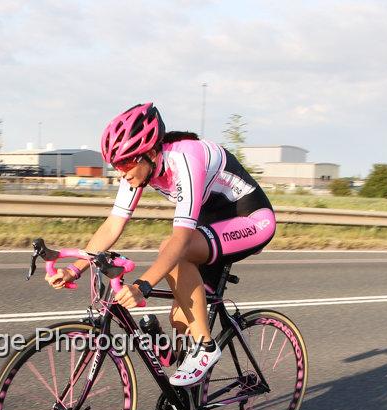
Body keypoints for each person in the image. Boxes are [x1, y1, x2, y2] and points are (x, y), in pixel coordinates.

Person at [45, 102, 276, 387]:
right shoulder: (139, 169)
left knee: (174, 250)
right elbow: (112, 225)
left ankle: (205, 349)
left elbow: (179, 241)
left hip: (250, 220)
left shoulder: (185, 157)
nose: (122, 173)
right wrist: (76, 268)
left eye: (128, 163)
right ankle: (185, 389)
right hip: (210, 225)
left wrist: (143, 285)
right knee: (181, 318)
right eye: (117, 165)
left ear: (151, 153)